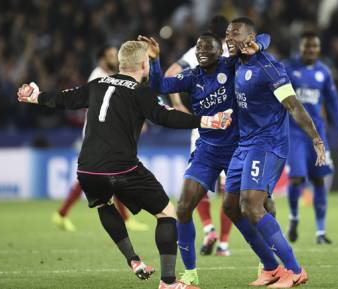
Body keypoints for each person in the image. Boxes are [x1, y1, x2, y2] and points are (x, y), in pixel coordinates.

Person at [17, 40, 233, 289]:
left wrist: (35, 97)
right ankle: (169, 282)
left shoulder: (97, 84)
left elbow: (65, 99)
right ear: (144, 65)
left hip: (86, 168)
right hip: (123, 167)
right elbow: (165, 116)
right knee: (167, 214)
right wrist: (207, 121)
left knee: (103, 204)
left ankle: (133, 260)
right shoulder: (139, 91)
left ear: (120, 63)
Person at [142, 31, 270, 286]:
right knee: (183, 207)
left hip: (239, 148)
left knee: (255, 207)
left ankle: (268, 263)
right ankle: (190, 273)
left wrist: (254, 44)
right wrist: (155, 61)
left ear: (219, 50)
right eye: (198, 47)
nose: (200, 51)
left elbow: (266, 38)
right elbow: (159, 86)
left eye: (206, 48)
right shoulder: (192, 77)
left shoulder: (232, 65)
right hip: (207, 151)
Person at [223, 17, 326, 288]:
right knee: (231, 207)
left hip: (268, 144)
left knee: (251, 206)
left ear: (250, 38)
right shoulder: (236, 61)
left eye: (234, 33)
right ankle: (270, 268)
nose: (228, 38)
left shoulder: (269, 68)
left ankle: (294, 270)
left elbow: (293, 104)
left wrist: (316, 138)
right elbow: (262, 37)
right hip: (244, 144)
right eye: (227, 34)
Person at [52, 45, 149, 232]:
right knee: (109, 173)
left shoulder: (106, 76)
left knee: (109, 173)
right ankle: (62, 213)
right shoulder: (98, 77)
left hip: (103, 133)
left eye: (115, 54)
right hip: (98, 133)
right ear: (101, 59)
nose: (115, 58)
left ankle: (63, 213)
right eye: (111, 55)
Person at [164, 15, 234, 257]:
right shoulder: (232, 51)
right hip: (231, 129)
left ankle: (208, 228)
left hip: (202, 125)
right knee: (228, 189)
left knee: (197, 185)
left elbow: (170, 73)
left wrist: (176, 104)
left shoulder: (198, 50)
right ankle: (224, 243)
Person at [283, 32, 338, 244]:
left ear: (319, 49)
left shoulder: (324, 72)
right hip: (294, 132)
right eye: (307, 47)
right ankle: (294, 218)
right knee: (296, 178)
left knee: (319, 179)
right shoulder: (287, 68)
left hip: (317, 133)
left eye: (314, 47)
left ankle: (320, 232)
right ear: (300, 47)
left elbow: (334, 105)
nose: (310, 50)